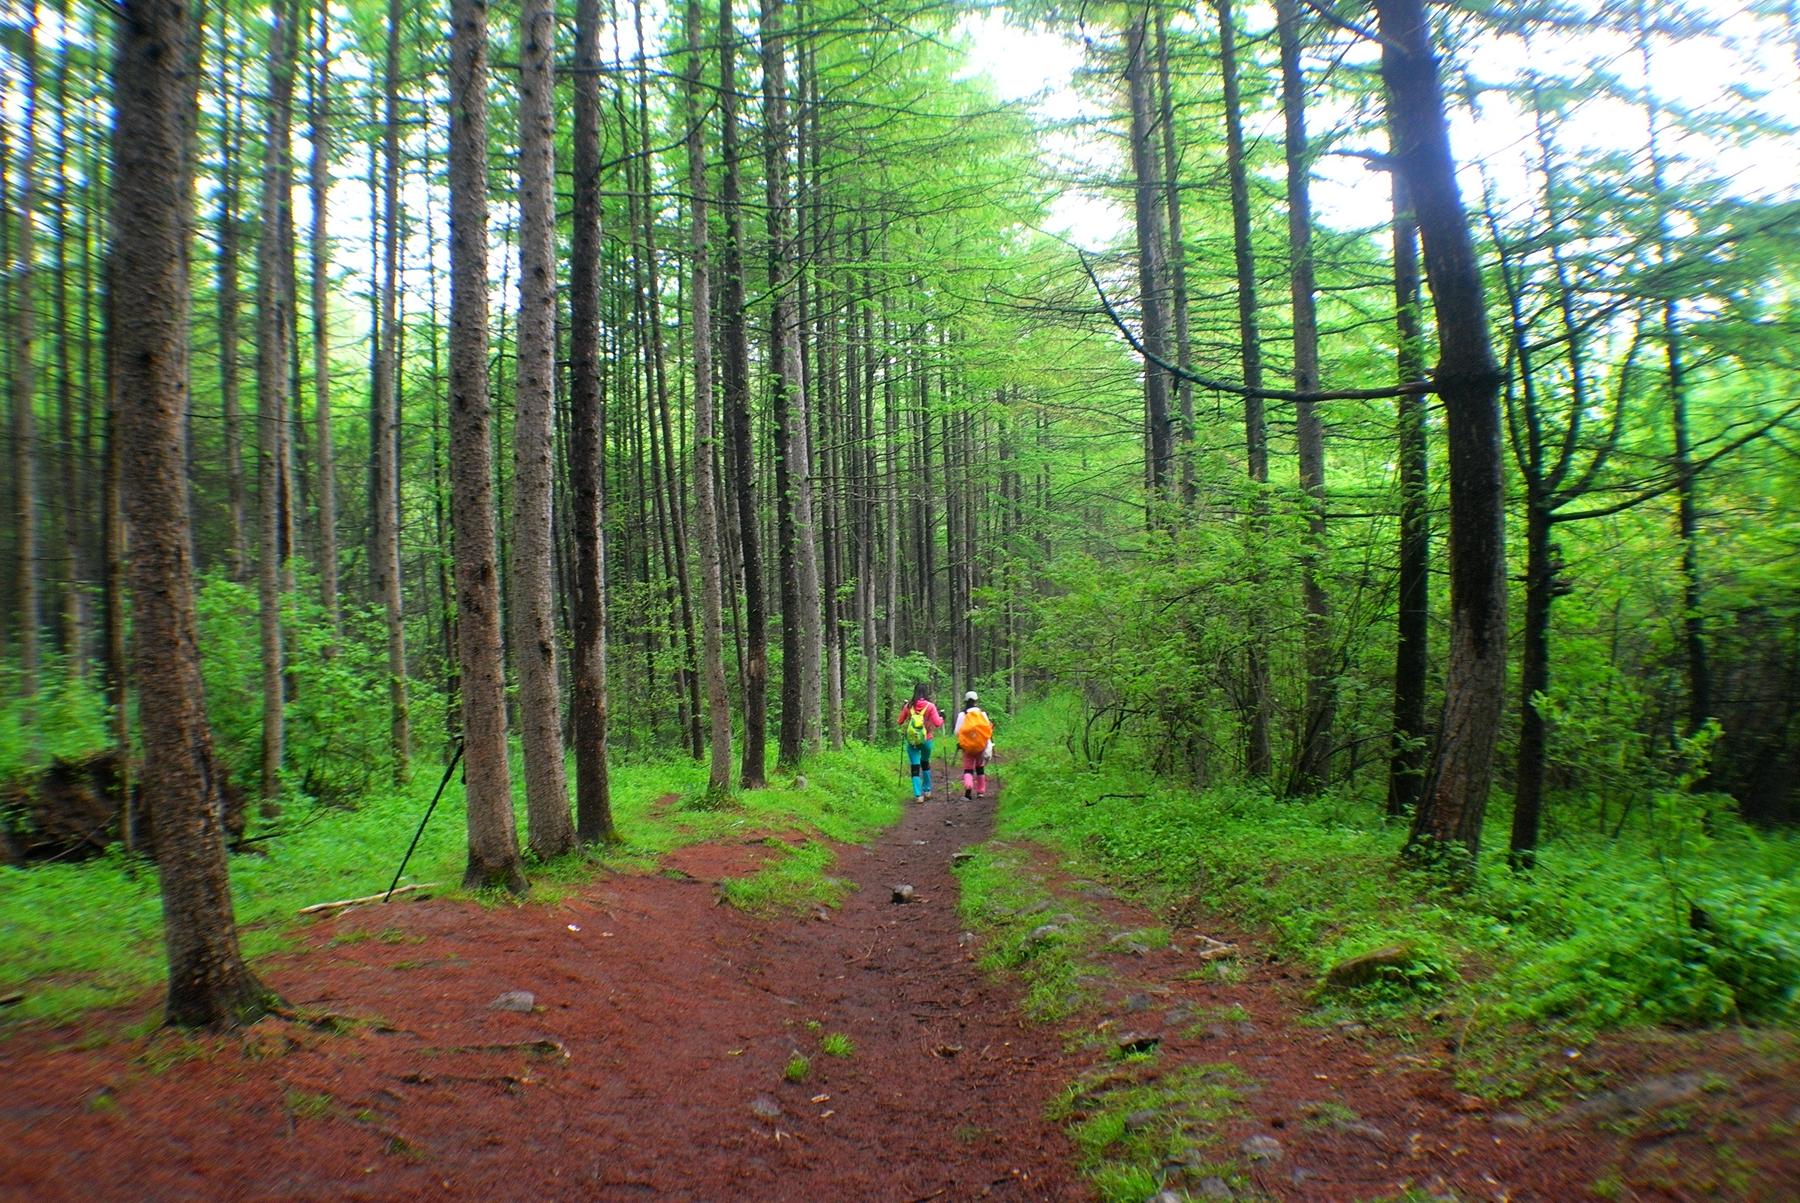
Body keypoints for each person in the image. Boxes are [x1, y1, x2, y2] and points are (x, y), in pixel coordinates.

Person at [896, 683, 944, 801]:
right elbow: (938, 723)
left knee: (915, 766)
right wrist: (942, 717)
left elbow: (899, 721)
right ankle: (927, 790)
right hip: (926, 739)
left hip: (912, 740)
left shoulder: (909, 706)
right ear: (926, 692)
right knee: (925, 763)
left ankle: (918, 795)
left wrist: (904, 708)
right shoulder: (931, 706)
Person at [954, 691, 995, 801]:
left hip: (967, 747)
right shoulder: (982, 714)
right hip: (980, 746)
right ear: (976, 701)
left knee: (968, 769)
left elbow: (957, 731)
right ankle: (981, 791)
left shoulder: (962, 715)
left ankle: (968, 791)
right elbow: (988, 730)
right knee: (980, 768)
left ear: (966, 701)